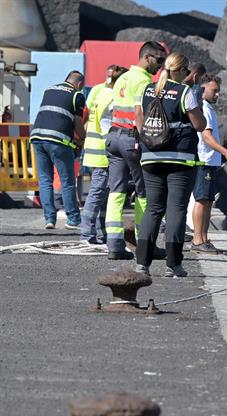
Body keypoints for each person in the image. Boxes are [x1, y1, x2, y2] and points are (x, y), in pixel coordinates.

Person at [133, 52, 206, 277]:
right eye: (186, 71)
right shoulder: (184, 92)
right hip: (179, 159)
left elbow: (138, 118)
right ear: (182, 71)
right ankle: (173, 264)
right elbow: (199, 125)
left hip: (151, 157)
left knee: (153, 208)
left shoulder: (147, 89)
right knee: (176, 209)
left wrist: (149, 141)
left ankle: (142, 263)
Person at [106, 41, 166, 260]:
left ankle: (114, 245)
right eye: (159, 60)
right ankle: (145, 245)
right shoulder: (143, 81)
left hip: (114, 137)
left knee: (116, 192)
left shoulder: (123, 77)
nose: (161, 65)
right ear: (147, 57)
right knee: (144, 192)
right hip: (131, 139)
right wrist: (148, 141)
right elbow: (140, 114)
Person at [30, 70, 86, 230]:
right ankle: (73, 219)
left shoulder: (49, 89)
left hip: (37, 137)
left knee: (45, 180)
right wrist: (83, 138)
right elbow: (78, 122)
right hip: (58, 141)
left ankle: (49, 219)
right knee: (67, 181)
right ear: (79, 84)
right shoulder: (77, 95)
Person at [190, 74, 227, 253]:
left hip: (210, 162)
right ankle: (197, 240)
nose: (218, 94)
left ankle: (204, 239)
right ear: (203, 89)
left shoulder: (208, 107)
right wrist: (226, 152)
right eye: (214, 90)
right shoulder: (203, 107)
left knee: (208, 201)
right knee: (202, 200)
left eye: (218, 91)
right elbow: (206, 137)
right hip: (203, 161)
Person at [80, 65, 126, 244]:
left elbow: (88, 116)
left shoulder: (99, 91)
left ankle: (101, 234)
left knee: (103, 194)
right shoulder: (113, 96)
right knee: (98, 193)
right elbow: (108, 127)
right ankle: (87, 234)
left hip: (95, 149)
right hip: (103, 152)